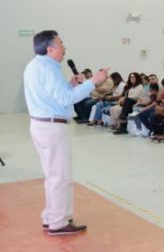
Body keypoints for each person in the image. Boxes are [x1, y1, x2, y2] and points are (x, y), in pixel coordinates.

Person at [23, 30, 109, 235]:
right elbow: (64, 99)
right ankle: (58, 222)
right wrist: (92, 82)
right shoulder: (49, 68)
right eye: (61, 43)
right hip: (52, 127)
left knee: (52, 175)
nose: (64, 47)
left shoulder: (35, 66)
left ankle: (51, 215)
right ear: (50, 48)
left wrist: (70, 84)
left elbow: (54, 94)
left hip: (40, 124)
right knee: (60, 176)